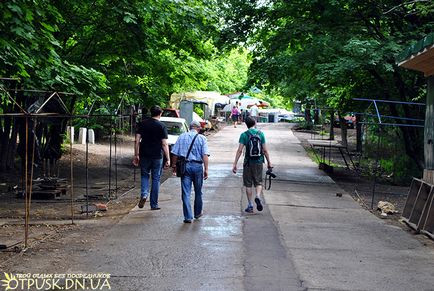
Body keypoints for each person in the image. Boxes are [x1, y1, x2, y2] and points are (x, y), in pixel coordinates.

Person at [171, 120, 210, 223]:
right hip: (197, 166)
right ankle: (197, 213)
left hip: (185, 166)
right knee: (198, 191)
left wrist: (174, 166)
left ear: (190, 127)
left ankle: (188, 217)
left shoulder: (182, 137)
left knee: (186, 192)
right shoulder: (202, 138)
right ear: (198, 128)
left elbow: (174, 153)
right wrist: (206, 169)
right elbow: (205, 155)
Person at [133, 105, 170, 210]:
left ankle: (144, 194)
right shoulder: (161, 126)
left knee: (144, 176)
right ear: (160, 113)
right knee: (156, 178)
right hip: (157, 156)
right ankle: (154, 204)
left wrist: (136, 155)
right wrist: (168, 158)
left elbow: (137, 140)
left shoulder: (143, 124)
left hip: (144, 155)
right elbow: (164, 144)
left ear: (151, 113)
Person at [232, 116, 272, 213]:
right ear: (254, 123)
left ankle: (250, 205)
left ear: (246, 124)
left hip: (248, 163)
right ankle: (257, 196)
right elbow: (265, 150)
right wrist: (269, 162)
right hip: (258, 161)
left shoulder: (244, 135)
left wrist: (235, 163)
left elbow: (240, 150)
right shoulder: (260, 134)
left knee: (248, 184)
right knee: (258, 182)